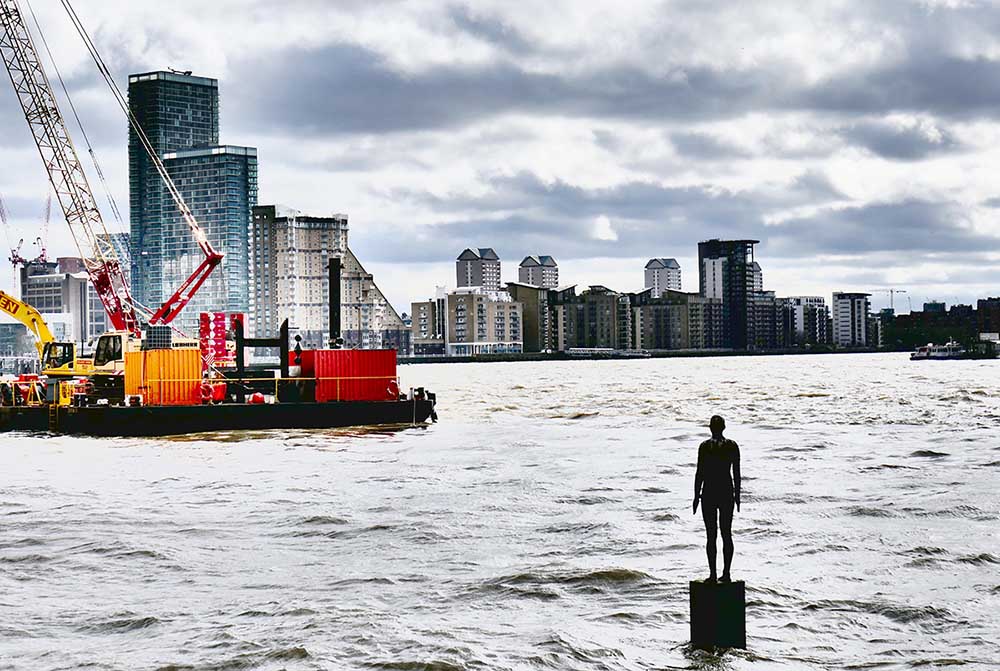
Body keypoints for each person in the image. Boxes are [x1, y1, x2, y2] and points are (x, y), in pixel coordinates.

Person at [693, 415, 741, 583]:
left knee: (711, 535)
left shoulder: (705, 446)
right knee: (726, 533)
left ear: (710, 428)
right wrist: (737, 495)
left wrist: (696, 496)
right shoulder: (732, 446)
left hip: (709, 493)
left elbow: (699, 472)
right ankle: (726, 574)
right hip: (726, 492)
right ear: (724, 427)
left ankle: (713, 574)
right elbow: (737, 474)